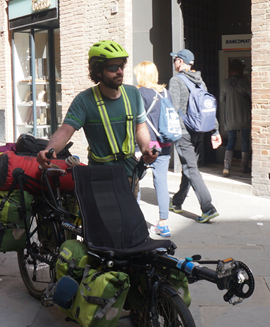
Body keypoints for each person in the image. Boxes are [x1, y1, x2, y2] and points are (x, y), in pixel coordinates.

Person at [36, 40, 155, 184]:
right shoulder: (84, 100)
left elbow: (140, 126)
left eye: (121, 66)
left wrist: (145, 149)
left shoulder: (133, 94)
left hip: (129, 174)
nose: (120, 71)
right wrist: (49, 150)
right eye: (113, 67)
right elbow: (65, 131)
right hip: (99, 177)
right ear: (98, 71)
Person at [168, 49, 222, 223]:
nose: (174, 63)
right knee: (189, 167)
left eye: (175, 59)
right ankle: (177, 202)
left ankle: (208, 207)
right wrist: (215, 131)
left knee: (191, 169)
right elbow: (208, 108)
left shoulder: (176, 80)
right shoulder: (200, 81)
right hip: (198, 130)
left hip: (183, 131)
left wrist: (170, 132)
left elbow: (173, 108)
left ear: (180, 61)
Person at [134, 61, 174, 237]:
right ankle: (163, 224)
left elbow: (136, 121)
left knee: (135, 180)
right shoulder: (165, 92)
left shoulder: (138, 93)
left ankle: (135, 221)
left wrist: (136, 146)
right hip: (164, 143)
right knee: (161, 182)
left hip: (145, 144)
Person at [220, 59, 252, 176]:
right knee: (245, 140)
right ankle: (245, 166)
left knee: (231, 140)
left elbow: (222, 99)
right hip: (244, 116)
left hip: (230, 118)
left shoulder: (225, 83)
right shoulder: (245, 82)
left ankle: (226, 167)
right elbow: (252, 96)